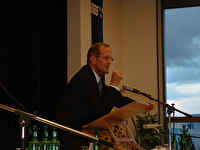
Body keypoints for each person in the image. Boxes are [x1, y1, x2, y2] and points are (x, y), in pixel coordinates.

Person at [56, 42, 154, 150]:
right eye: (106, 58)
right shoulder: (85, 78)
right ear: (93, 59)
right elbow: (101, 109)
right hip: (71, 135)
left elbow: (115, 98)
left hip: (79, 135)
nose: (109, 62)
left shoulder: (95, 79)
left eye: (111, 59)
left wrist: (141, 105)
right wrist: (113, 85)